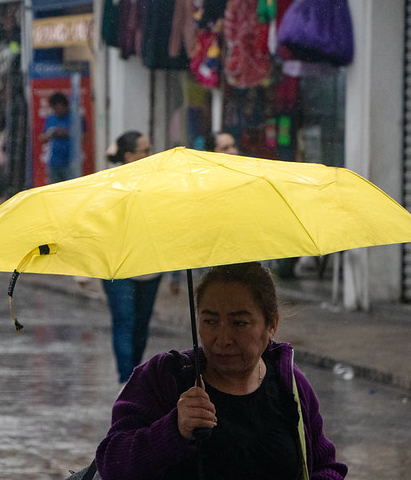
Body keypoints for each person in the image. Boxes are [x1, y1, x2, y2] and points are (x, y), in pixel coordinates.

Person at [96, 262, 348, 480]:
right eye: (210, 321)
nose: (223, 338)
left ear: (271, 324)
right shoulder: (164, 378)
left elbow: (324, 465)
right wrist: (173, 430)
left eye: (239, 323)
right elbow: (111, 464)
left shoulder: (289, 384)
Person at [102, 130, 160, 383]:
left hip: (150, 266)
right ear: (128, 156)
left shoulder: (157, 185)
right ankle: (126, 380)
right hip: (116, 267)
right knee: (124, 320)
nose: (149, 155)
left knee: (141, 325)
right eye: (144, 151)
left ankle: (134, 373)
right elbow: (93, 229)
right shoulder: (109, 186)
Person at [40, 92, 77, 183]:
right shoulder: (50, 118)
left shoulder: (74, 118)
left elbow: (83, 136)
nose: (57, 111)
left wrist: (65, 133)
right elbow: (42, 139)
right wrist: (50, 134)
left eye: (59, 108)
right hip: (54, 162)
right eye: (54, 109)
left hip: (71, 162)